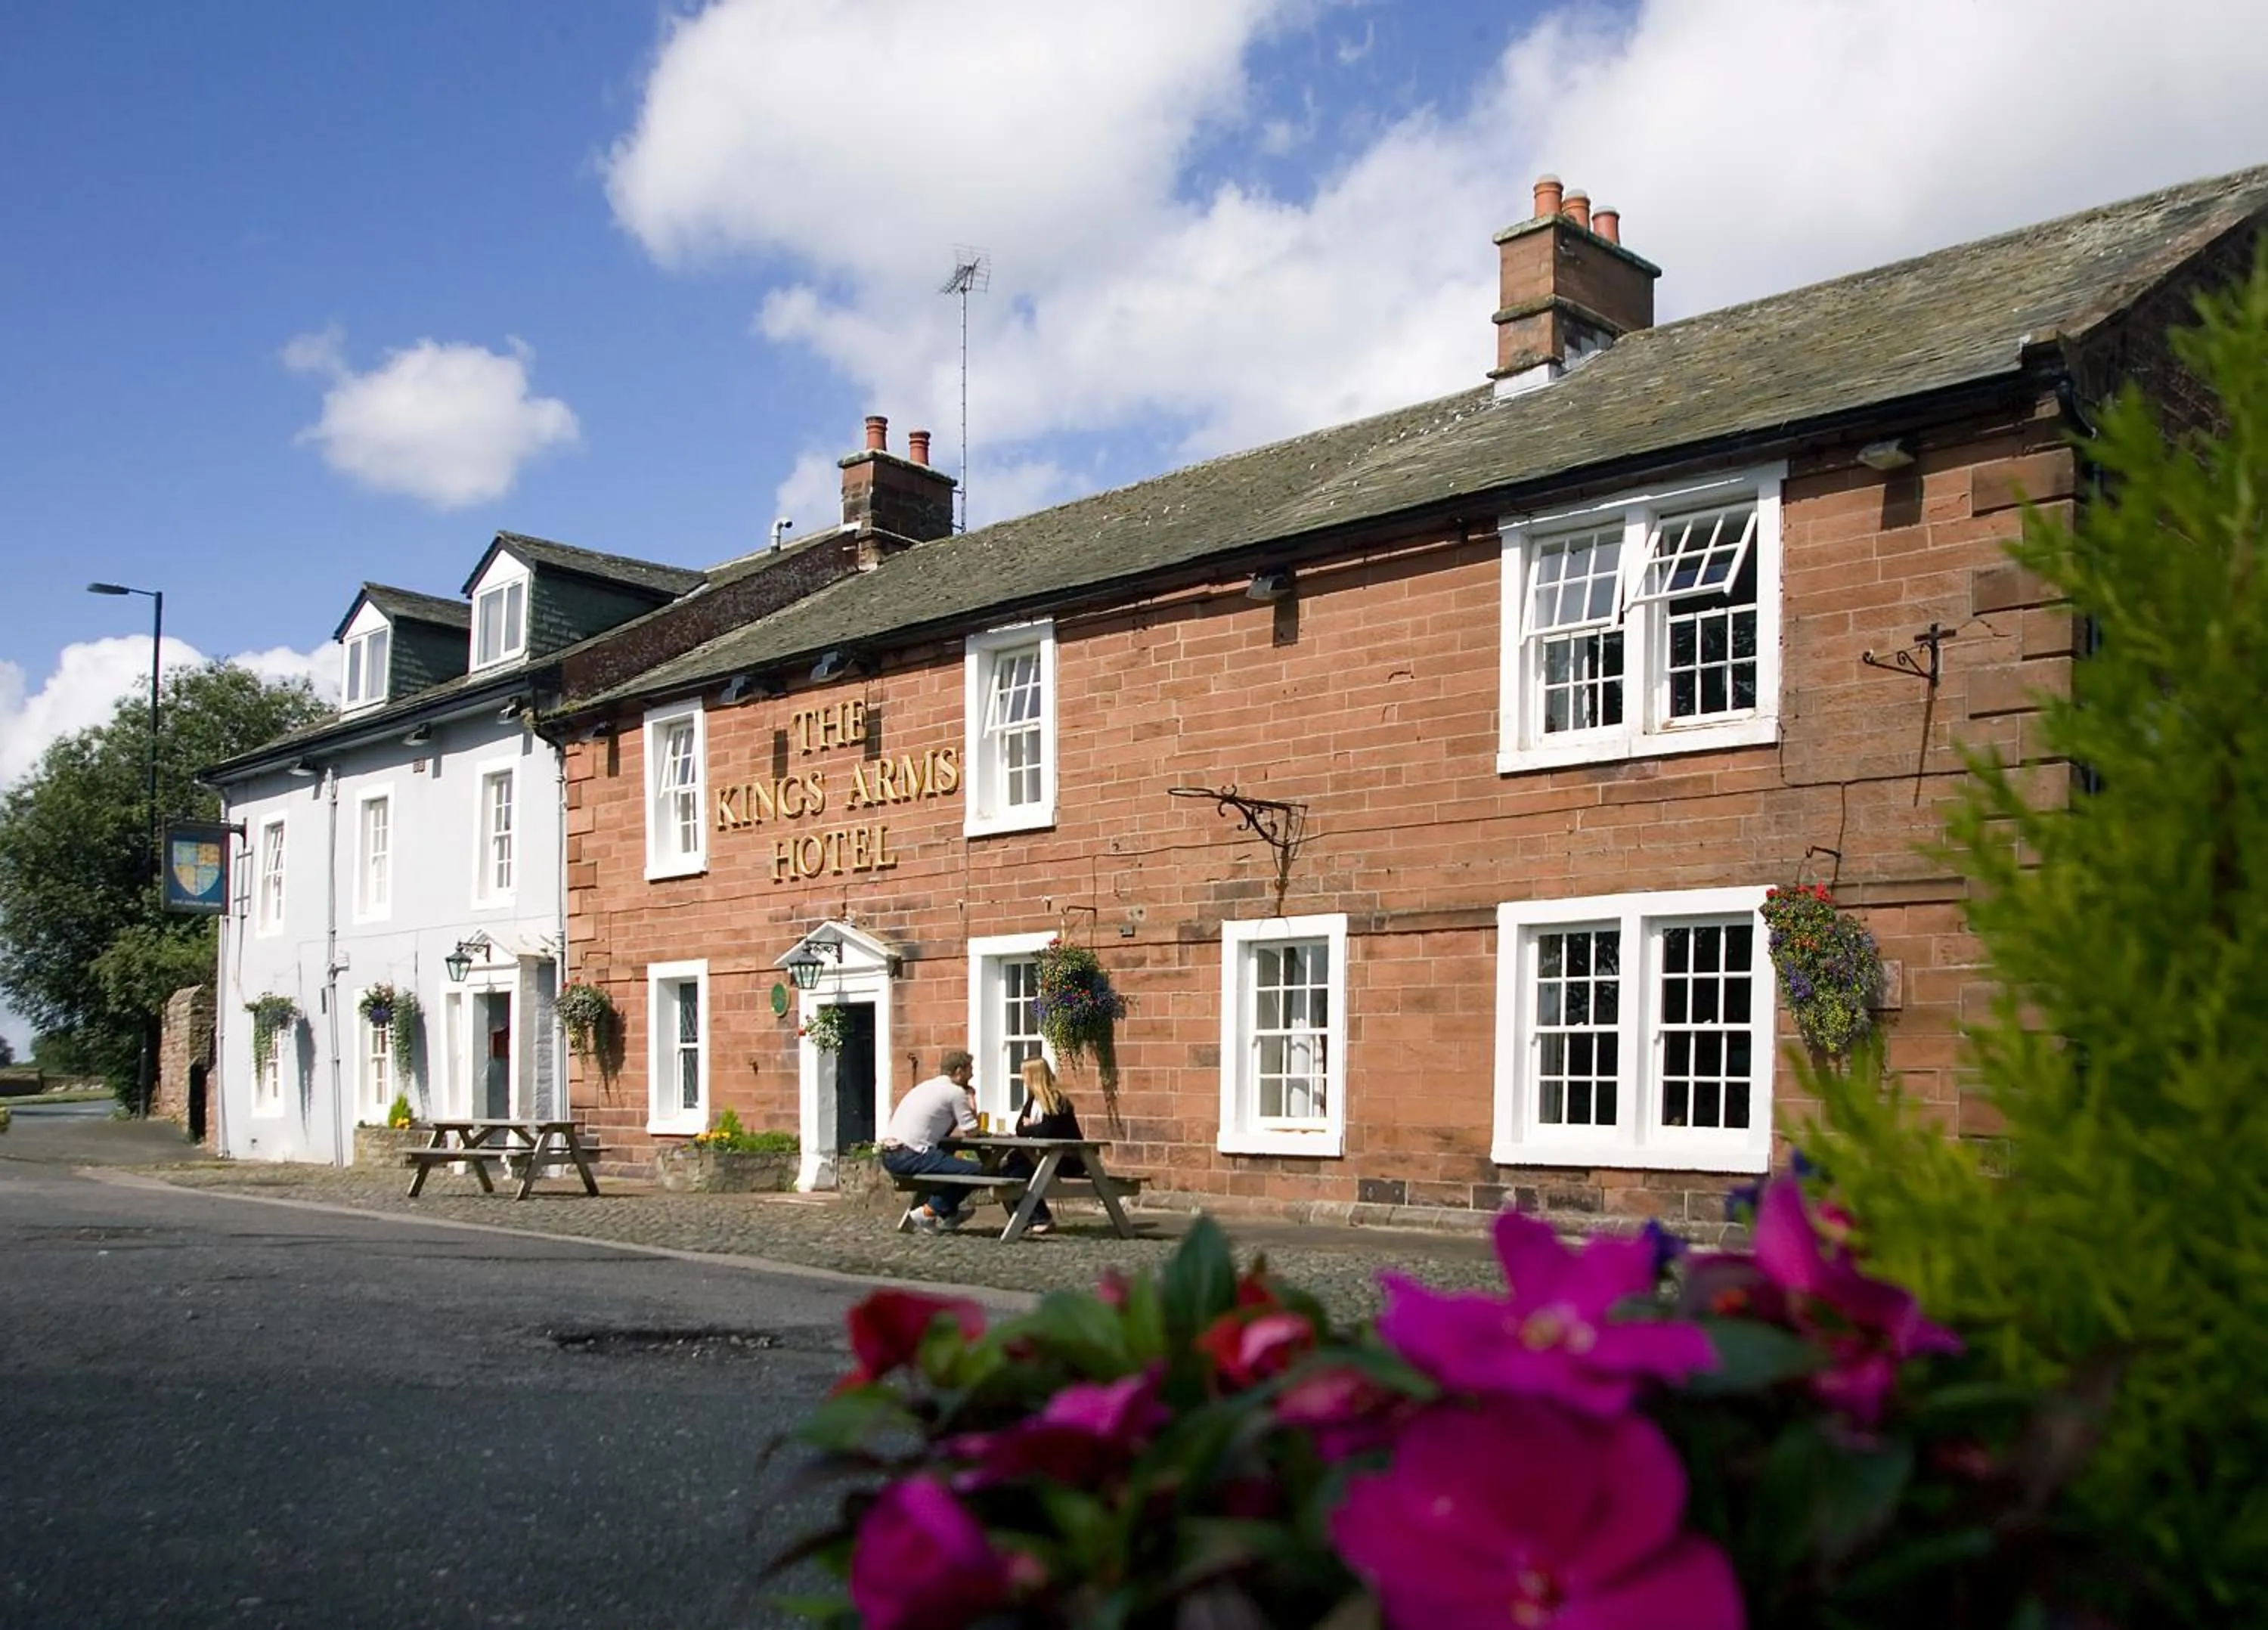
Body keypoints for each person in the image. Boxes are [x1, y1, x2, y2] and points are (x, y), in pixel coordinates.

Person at [878, 1050, 980, 1232]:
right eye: (969, 1070)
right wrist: (971, 1099)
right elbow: (971, 1131)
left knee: (948, 1162)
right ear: (959, 1071)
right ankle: (929, 1211)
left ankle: (950, 1215)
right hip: (911, 1155)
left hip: (889, 1154)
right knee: (976, 1171)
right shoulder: (955, 1092)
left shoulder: (926, 1087)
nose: (972, 1075)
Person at [1001, 1057, 1084, 1237]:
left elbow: (1048, 1130)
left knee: (1018, 1174)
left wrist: (1030, 1126)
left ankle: (1040, 1219)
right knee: (1006, 1172)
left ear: (1034, 1076)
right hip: (1039, 1156)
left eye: (1024, 1073)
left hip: (1065, 1158)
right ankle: (1029, 1218)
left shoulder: (1058, 1100)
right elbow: (1019, 1128)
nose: (1022, 1078)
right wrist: (1031, 1127)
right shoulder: (1033, 1100)